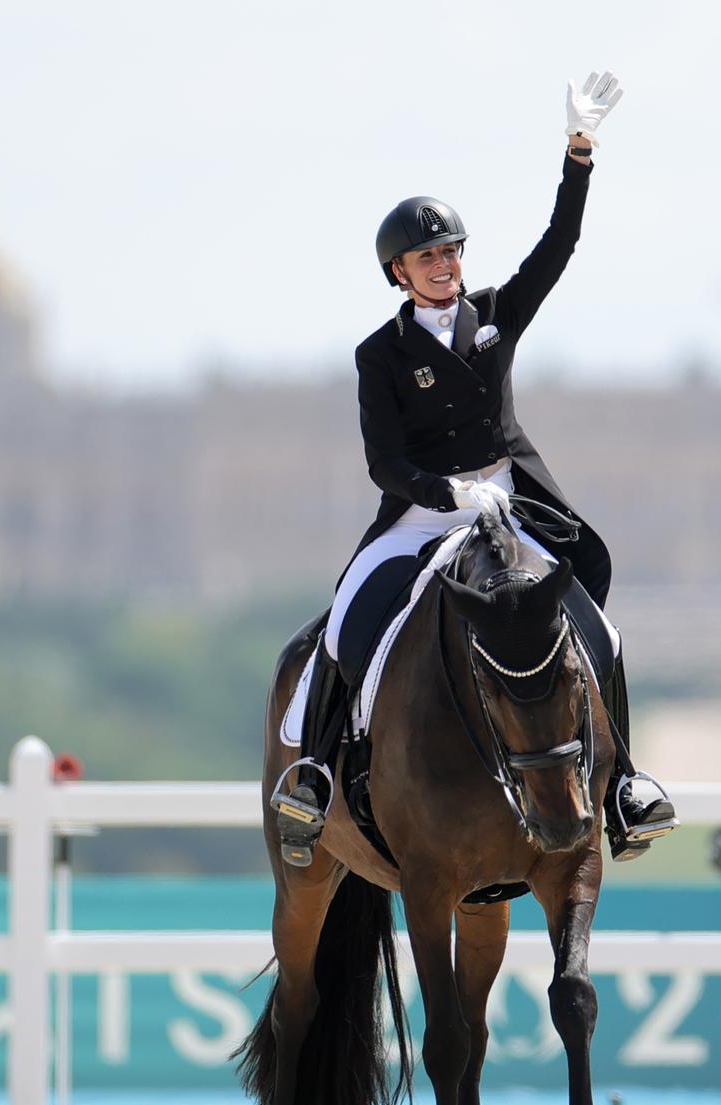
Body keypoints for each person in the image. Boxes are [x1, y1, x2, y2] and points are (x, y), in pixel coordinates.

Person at [271, 71, 677, 866]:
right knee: (348, 620)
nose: (444, 265)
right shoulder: (378, 355)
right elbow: (383, 458)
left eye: (451, 251)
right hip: (424, 509)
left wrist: (579, 154)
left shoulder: (493, 316)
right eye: (427, 257)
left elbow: (558, 249)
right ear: (399, 271)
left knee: (603, 632)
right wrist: (440, 492)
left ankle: (625, 784)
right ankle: (316, 772)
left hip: (509, 497)